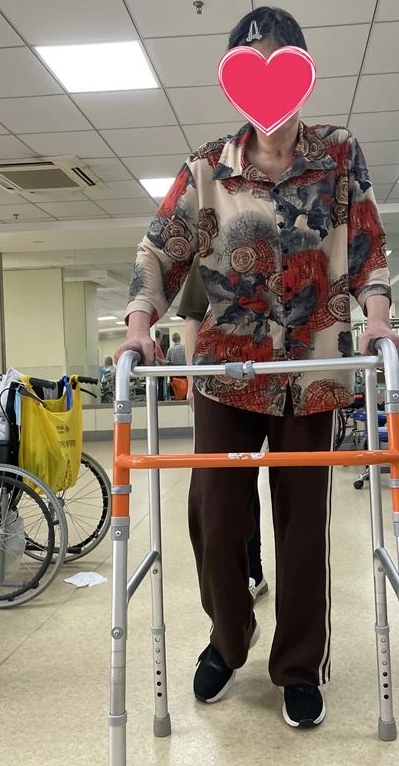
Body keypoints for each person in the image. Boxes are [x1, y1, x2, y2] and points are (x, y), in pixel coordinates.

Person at [116, 5, 399, 728]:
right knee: (216, 519)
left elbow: (367, 244)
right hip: (225, 373)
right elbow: (159, 249)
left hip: (313, 373)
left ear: (302, 74)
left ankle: (298, 666)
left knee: (303, 528)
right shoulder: (207, 167)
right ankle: (228, 637)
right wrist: (140, 327)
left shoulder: (339, 155)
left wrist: (375, 317)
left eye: (280, 64)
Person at [178, 255, 268, 601]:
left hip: (285, 377)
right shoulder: (209, 247)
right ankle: (247, 578)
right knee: (224, 490)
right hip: (222, 383)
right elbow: (193, 317)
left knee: (294, 491)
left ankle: (256, 573)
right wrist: (193, 379)